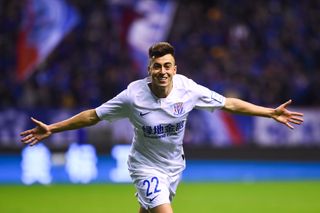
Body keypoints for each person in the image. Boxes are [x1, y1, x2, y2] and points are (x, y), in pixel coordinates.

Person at [20, 42, 304, 213]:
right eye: (157, 66)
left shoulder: (188, 89)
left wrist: (270, 113)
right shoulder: (132, 95)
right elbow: (93, 115)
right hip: (144, 166)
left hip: (174, 166)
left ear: (175, 68)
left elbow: (229, 104)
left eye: (167, 66)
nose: (163, 71)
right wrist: (53, 129)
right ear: (149, 70)